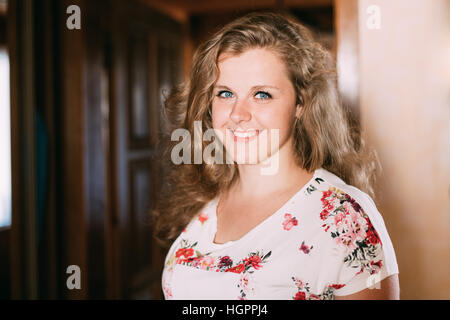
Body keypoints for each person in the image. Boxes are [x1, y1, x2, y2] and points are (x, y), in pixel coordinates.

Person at [152, 11, 400, 300]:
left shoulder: (344, 217)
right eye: (225, 93)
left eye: (262, 94)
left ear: (301, 104)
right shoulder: (204, 201)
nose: (237, 114)